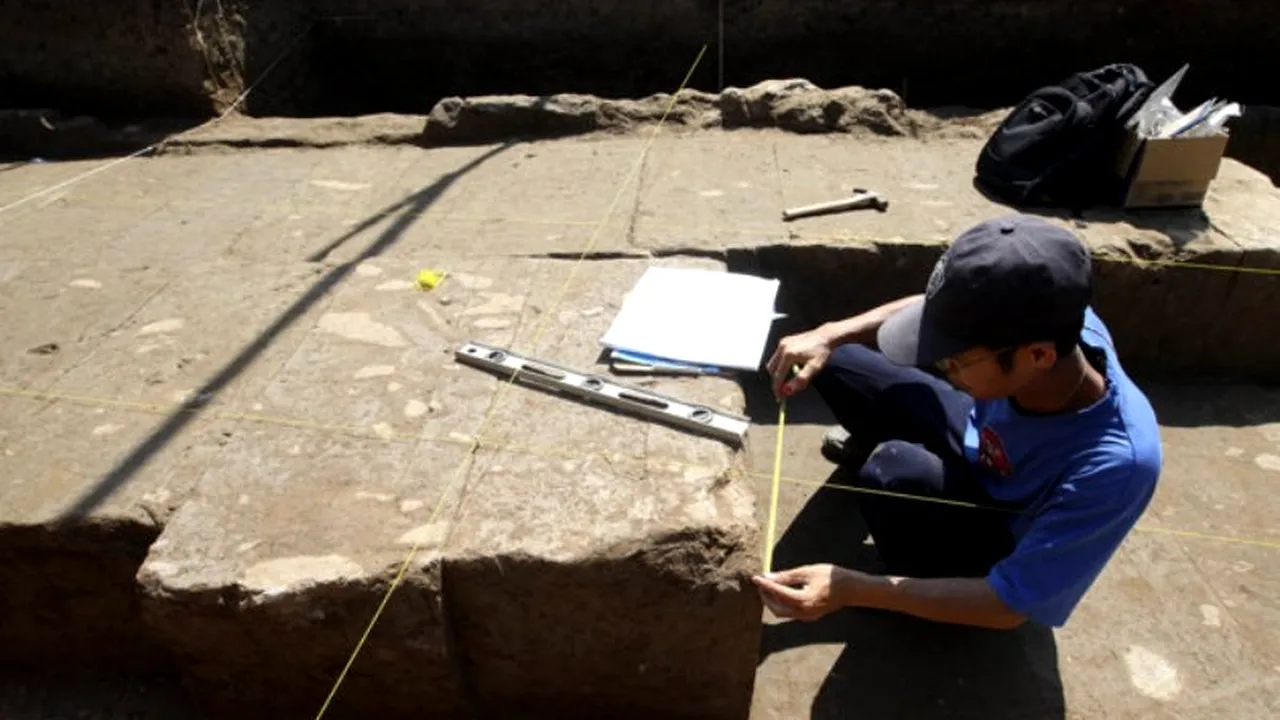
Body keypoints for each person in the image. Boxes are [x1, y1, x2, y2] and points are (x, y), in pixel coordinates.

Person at [753, 214, 1162, 630]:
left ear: (1038, 356)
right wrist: (831, 333)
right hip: (976, 433)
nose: (939, 364)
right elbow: (929, 312)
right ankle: (895, 460)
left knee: (893, 470)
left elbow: (1007, 607)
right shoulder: (1051, 312)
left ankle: (920, 599)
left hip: (992, 537)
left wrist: (852, 588)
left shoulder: (1117, 465)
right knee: (836, 359)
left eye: (956, 360)